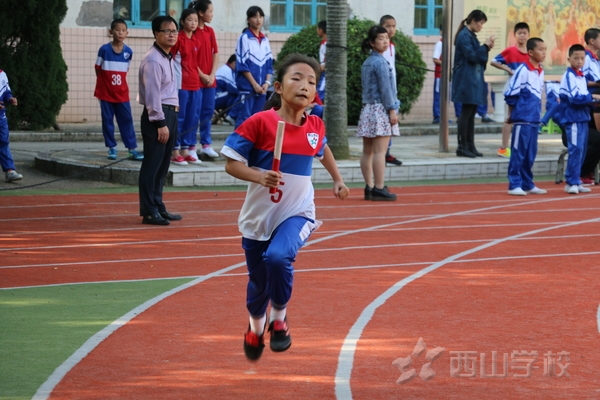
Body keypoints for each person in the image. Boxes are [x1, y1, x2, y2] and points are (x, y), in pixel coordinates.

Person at [220, 53, 349, 361]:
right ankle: (256, 326)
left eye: (311, 81)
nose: (304, 85)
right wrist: (260, 175)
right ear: (278, 86)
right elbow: (230, 164)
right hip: (259, 218)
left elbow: (323, 148)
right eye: (296, 78)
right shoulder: (260, 122)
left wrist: (338, 179)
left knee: (279, 257)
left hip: (297, 212)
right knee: (258, 283)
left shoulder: (315, 125)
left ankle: (279, 318)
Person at [138, 15, 183, 225]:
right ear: (156, 34)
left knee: (163, 166)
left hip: (170, 114)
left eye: (175, 31)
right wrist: (160, 123)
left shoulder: (167, 57)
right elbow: (153, 96)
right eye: (167, 31)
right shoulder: (153, 60)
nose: (173, 35)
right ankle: (148, 211)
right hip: (158, 116)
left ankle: (157, 205)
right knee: (152, 165)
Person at [357, 26, 399, 201]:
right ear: (372, 43)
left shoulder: (367, 62)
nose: (385, 41)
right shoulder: (381, 62)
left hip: (367, 109)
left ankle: (369, 187)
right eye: (381, 38)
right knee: (380, 152)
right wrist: (392, 110)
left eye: (386, 38)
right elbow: (386, 89)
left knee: (367, 151)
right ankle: (380, 187)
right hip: (380, 109)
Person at [94, 19, 143, 161]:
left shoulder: (128, 52)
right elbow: (98, 69)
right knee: (107, 120)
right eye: (117, 29)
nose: (120, 33)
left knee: (127, 120)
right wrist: (105, 85)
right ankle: (111, 148)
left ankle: (132, 149)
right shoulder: (104, 49)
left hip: (121, 93)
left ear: (127, 33)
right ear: (111, 32)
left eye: (123, 30)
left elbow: (125, 70)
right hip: (105, 93)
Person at [504, 37, 548, 196]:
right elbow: (511, 94)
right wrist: (511, 115)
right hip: (522, 118)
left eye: (545, 49)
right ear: (530, 52)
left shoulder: (540, 70)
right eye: (540, 49)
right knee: (518, 151)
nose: (544, 52)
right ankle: (514, 184)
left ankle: (527, 183)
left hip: (534, 118)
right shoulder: (523, 70)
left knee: (530, 153)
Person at [452, 9, 495, 158]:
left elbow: (478, 56)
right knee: (466, 113)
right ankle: (462, 146)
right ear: (473, 21)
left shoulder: (470, 35)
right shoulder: (464, 36)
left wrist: (486, 48)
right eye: (480, 23)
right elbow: (472, 56)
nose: (481, 26)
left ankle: (470, 145)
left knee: (471, 113)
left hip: (472, 79)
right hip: (466, 79)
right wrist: (485, 47)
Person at [558, 44, 600, 194]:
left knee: (581, 150)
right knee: (575, 149)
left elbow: (584, 98)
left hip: (582, 117)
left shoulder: (581, 76)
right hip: (573, 118)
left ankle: (576, 179)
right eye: (576, 58)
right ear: (569, 59)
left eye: (582, 58)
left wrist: (593, 100)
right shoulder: (569, 76)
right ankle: (571, 181)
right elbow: (575, 99)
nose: (579, 61)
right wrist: (593, 97)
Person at [491, 22, 530, 158]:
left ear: (528, 35)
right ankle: (504, 148)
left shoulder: (531, 52)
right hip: (513, 89)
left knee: (525, 119)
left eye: (524, 33)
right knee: (509, 118)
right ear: (515, 35)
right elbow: (494, 61)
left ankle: (520, 147)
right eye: (519, 33)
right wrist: (507, 69)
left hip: (527, 90)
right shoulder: (510, 51)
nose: (522, 36)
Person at [232, 6, 273, 129]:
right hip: (247, 87)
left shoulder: (265, 40)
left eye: (260, 16)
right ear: (248, 20)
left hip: (262, 89)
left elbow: (269, 64)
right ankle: (236, 147)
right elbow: (242, 64)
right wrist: (254, 85)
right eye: (254, 17)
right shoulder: (244, 38)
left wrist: (266, 83)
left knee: (258, 119)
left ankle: (253, 148)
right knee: (244, 119)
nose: (258, 20)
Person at [170, 8, 202, 166]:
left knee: (192, 118)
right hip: (180, 84)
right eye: (190, 20)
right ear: (182, 21)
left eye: (196, 20)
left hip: (195, 84)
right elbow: (170, 60)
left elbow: (195, 64)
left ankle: (185, 149)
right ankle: (174, 151)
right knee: (180, 118)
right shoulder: (178, 39)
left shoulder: (196, 40)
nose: (193, 23)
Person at [192, 0, 220, 159]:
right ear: (201, 13)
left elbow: (215, 53)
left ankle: (206, 145)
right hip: (196, 79)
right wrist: (202, 75)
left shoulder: (210, 31)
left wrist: (211, 74)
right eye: (210, 11)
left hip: (210, 80)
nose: (212, 14)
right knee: (194, 113)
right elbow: (190, 58)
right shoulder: (192, 31)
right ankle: (189, 146)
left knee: (207, 112)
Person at [379, 14, 402, 166]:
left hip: (393, 91)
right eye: (388, 26)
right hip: (384, 93)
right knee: (385, 123)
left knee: (391, 124)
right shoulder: (380, 47)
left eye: (393, 26)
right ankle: (382, 153)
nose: (391, 29)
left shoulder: (391, 46)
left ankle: (387, 152)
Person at [432, 24, 461, 124]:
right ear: (441, 32)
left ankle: (445, 116)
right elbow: (435, 59)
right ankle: (437, 116)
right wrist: (446, 64)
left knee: (447, 96)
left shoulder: (447, 44)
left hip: (447, 75)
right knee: (439, 96)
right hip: (440, 75)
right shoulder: (440, 44)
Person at [0, 69, 22, 183]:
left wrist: (10, 99)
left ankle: (9, 171)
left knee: (3, 141)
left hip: (1, 116)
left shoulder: (2, 74)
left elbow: (6, 91)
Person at [214, 54, 238, 125]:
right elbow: (234, 88)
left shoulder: (227, 69)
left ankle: (229, 117)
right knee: (235, 95)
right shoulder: (226, 70)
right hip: (215, 98)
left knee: (234, 94)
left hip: (218, 96)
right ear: (234, 63)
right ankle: (229, 117)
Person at [582, 28, 600, 94]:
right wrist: (597, 84)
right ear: (592, 41)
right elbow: (580, 81)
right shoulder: (585, 58)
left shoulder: (596, 59)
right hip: (591, 93)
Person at [316, 20, 327, 102]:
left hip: (325, 72)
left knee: (319, 93)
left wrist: (324, 65)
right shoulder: (323, 43)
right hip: (322, 71)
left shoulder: (327, 44)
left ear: (321, 30)